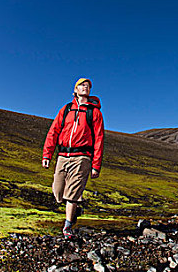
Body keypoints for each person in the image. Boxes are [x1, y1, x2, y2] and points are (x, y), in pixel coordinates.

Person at [42, 78, 104, 239]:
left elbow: (99, 139)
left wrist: (96, 165)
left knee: (72, 194)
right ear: (75, 89)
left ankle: (68, 226)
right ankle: (75, 209)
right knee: (58, 192)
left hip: (82, 157)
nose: (86, 87)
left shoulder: (94, 112)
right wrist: (47, 154)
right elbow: (53, 131)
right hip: (63, 155)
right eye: (82, 85)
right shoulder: (66, 109)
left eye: (88, 86)